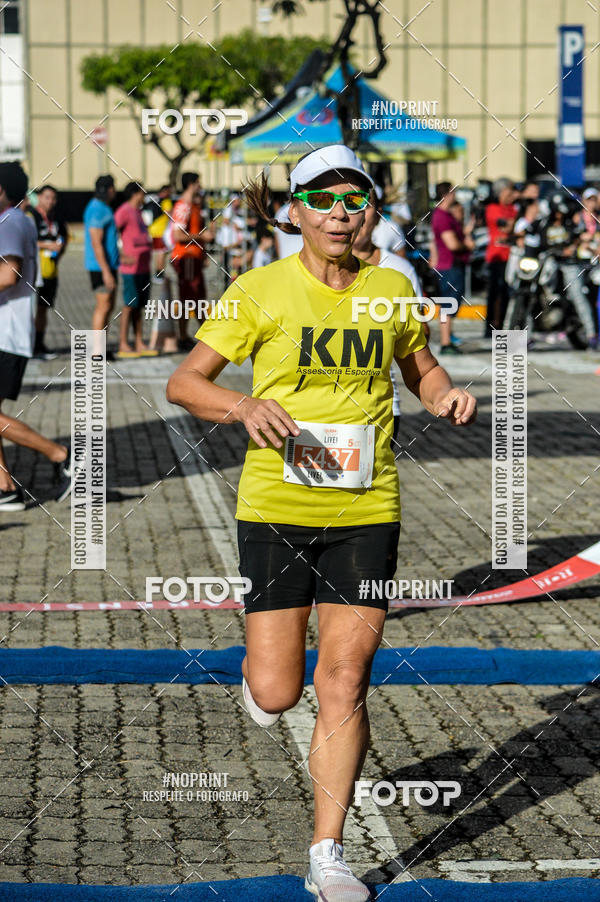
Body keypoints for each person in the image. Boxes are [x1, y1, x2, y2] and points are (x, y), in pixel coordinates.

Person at [166, 143, 477, 902]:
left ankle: (327, 854)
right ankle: (258, 682)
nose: (339, 214)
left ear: (369, 208)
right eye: (322, 200)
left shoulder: (392, 288)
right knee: (277, 692)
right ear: (296, 211)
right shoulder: (259, 289)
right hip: (276, 507)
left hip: (368, 508)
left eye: (353, 200)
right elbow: (185, 381)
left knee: (344, 679)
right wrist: (242, 405)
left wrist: (442, 395)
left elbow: (419, 365)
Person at [0, 162, 72, 511]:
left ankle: (61, 455)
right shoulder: (17, 221)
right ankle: (6, 489)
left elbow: (9, 273)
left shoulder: (10, 221)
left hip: (5, 333)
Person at [353, 184, 424, 444]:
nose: (356, 213)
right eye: (349, 203)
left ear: (378, 214)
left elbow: (419, 337)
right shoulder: (311, 271)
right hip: (314, 410)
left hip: (380, 408)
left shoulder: (398, 270)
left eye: (364, 204)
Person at [170, 172, 214, 349]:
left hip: (194, 258)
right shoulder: (183, 206)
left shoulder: (193, 205)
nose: (200, 185)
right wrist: (202, 236)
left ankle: (201, 335)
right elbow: (177, 234)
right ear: (191, 184)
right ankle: (183, 336)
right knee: (188, 298)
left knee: (198, 297)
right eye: (198, 182)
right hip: (186, 257)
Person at [114, 181, 156, 358]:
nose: (144, 196)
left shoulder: (138, 212)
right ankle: (123, 343)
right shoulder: (124, 211)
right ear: (135, 193)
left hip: (144, 267)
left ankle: (139, 341)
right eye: (142, 193)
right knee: (129, 306)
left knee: (139, 306)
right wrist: (120, 255)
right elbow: (111, 232)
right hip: (131, 269)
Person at [431, 181, 474, 353]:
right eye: (453, 192)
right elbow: (452, 244)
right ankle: (445, 342)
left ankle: (448, 339)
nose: (455, 195)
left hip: (452, 265)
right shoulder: (441, 216)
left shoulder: (446, 215)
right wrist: (468, 246)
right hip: (449, 265)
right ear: (446, 194)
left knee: (451, 303)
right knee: (449, 304)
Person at [31, 184, 68, 359]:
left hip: (51, 271)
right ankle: (29, 345)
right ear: (38, 197)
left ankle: (39, 344)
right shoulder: (31, 216)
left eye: (53, 198)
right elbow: (28, 241)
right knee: (32, 309)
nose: (50, 201)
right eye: (47, 197)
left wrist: (58, 251)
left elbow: (65, 238)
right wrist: (46, 245)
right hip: (34, 271)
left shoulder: (57, 218)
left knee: (43, 309)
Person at [83, 174, 119, 357]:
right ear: (109, 190)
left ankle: (102, 347)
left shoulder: (103, 208)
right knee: (103, 306)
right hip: (99, 267)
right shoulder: (97, 209)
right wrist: (106, 271)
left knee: (109, 305)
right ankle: (97, 351)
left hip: (108, 265)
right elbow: (96, 243)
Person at [484, 177, 518, 337]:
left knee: (507, 293)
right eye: (510, 190)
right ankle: (491, 326)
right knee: (495, 292)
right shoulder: (493, 208)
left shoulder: (513, 208)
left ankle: (504, 323)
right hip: (497, 256)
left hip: (512, 256)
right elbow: (508, 227)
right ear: (502, 191)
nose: (513, 194)